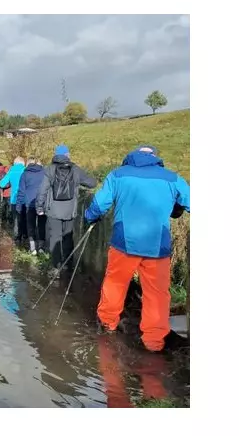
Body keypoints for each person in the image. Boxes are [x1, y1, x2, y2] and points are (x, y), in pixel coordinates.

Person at [83, 145, 190, 352]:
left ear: (131, 157)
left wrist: (90, 217)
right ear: (155, 158)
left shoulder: (118, 175)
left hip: (124, 243)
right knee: (157, 293)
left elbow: (98, 204)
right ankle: (154, 341)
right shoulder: (173, 178)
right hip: (157, 246)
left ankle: (107, 325)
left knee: (115, 283)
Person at [35, 145, 97, 272]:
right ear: (67, 155)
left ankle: (55, 267)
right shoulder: (75, 169)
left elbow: (42, 190)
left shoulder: (50, 169)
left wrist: (39, 206)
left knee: (55, 238)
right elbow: (92, 183)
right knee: (68, 237)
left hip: (53, 211)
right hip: (70, 211)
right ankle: (68, 266)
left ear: (56, 155)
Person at [16, 157, 46, 255]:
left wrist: (19, 206)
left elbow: (21, 191)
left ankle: (33, 249)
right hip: (42, 203)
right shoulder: (44, 173)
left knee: (31, 226)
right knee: (42, 225)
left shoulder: (24, 174)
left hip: (29, 203)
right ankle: (41, 247)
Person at [0, 157, 27, 243]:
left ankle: (17, 238)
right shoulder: (26, 170)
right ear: (23, 163)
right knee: (26, 218)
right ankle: (26, 237)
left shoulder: (11, 170)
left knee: (16, 219)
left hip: (14, 199)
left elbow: (2, 184)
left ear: (15, 163)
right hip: (26, 199)